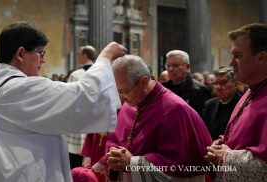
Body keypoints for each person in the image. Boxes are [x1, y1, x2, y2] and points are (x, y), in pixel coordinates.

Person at [0, 21, 126, 182]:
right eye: (40, 52)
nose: (43, 60)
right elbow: (83, 98)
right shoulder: (24, 88)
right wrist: (106, 56)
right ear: (20, 54)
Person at [72, 55, 212, 182]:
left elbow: (180, 166)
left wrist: (132, 163)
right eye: (117, 91)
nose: (121, 98)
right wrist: (115, 155)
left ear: (144, 81)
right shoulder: (129, 105)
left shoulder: (176, 109)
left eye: (124, 91)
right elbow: (116, 140)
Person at [205, 23, 267, 181]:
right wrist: (218, 146)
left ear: (262, 57)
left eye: (238, 56)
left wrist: (224, 156)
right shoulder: (249, 91)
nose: (231, 63)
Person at [66, 45, 98, 169]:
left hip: (78, 124)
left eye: (79, 54)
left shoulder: (75, 75)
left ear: (85, 55)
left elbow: (68, 99)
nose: (78, 57)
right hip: (95, 124)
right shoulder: (101, 75)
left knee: (74, 163)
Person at [162, 50, 211, 116]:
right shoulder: (163, 89)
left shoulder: (200, 90)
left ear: (187, 67)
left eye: (175, 65)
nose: (171, 69)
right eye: (168, 65)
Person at [203, 67, 242, 140]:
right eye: (215, 83)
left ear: (236, 84)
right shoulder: (209, 105)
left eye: (223, 83)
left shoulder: (243, 104)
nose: (218, 87)